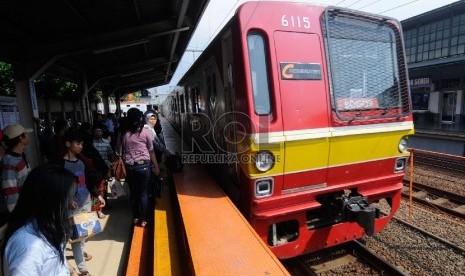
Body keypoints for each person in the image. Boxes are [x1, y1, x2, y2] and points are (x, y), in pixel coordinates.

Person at [1, 164, 78, 276]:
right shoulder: (28, 247)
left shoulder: (47, 227)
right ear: (52, 202)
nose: (73, 205)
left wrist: (71, 271)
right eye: (69, 199)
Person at [55, 129, 105, 276]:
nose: (81, 146)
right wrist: (67, 200)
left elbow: (88, 181)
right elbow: (57, 187)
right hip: (70, 208)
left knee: (82, 235)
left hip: (85, 203)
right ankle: (74, 267)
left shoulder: (81, 162)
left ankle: (80, 261)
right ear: (68, 144)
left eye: (82, 143)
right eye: (78, 143)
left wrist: (97, 195)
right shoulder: (59, 165)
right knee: (67, 238)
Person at [123, 108, 160, 227]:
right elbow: (151, 150)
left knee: (134, 193)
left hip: (130, 167)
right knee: (144, 193)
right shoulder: (146, 132)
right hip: (144, 166)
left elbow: (122, 150)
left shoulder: (125, 134)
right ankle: (144, 220)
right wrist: (156, 167)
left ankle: (136, 217)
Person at [0, 124, 32, 212]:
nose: (28, 135)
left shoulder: (19, 156)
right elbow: (10, 194)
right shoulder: (10, 163)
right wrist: (18, 216)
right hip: (20, 212)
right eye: (25, 133)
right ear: (21, 138)